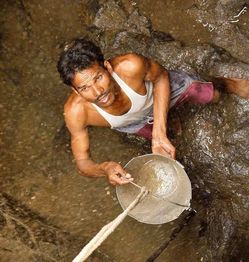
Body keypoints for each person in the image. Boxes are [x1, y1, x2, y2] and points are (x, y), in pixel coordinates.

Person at [57, 38, 249, 185]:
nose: (98, 92)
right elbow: (83, 162)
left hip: (162, 91)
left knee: (213, 95)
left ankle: (227, 83)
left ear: (107, 67)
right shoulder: (76, 112)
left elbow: (161, 77)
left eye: (98, 77)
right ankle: (168, 119)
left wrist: (158, 132)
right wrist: (105, 168)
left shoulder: (131, 66)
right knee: (172, 139)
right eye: (84, 88)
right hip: (135, 122)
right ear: (75, 90)